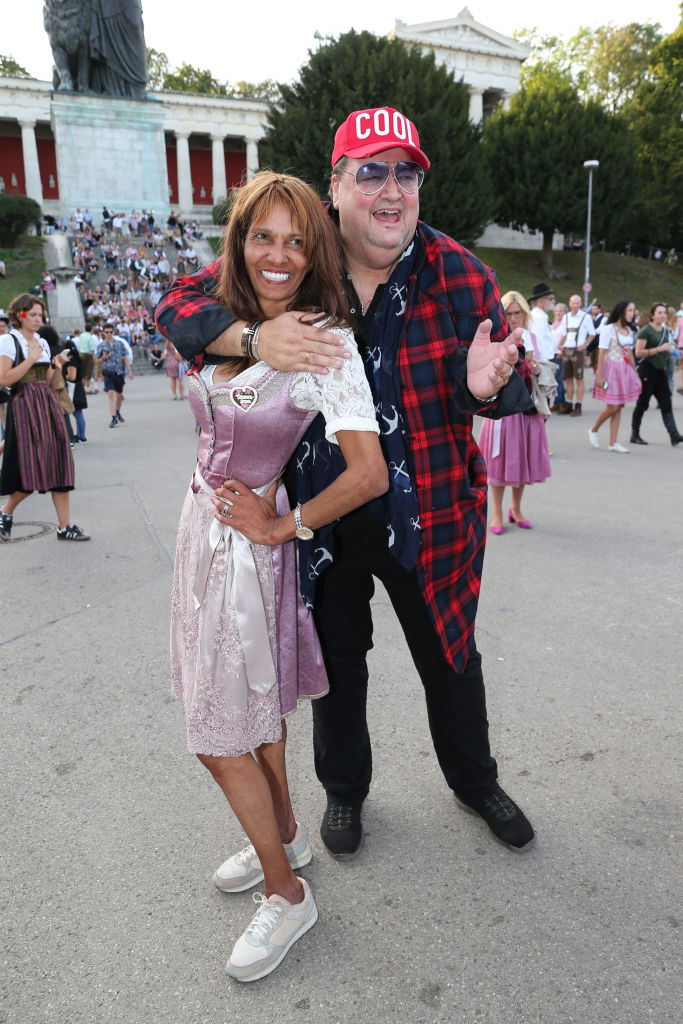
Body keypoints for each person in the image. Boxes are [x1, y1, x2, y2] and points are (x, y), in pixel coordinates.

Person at [156, 105, 535, 864]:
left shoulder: (462, 274)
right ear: (336, 187)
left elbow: (512, 380)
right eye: (370, 172)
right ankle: (344, 792)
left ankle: (474, 780)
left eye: (406, 172)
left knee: (450, 658)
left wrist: (488, 388)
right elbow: (180, 302)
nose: (390, 190)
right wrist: (255, 336)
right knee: (337, 667)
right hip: (324, 517)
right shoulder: (297, 253)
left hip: (429, 514)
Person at [170, 171, 387, 981]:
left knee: (216, 738)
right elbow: (177, 312)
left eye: (297, 240)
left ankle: (286, 892)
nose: (279, 254)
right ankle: (286, 832)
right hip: (200, 532)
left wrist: (280, 523)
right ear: (238, 239)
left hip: (250, 549)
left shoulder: (326, 339)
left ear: (315, 249)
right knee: (250, 718)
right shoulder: (224, 318)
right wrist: (246, 338)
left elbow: (366, 472)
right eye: (263, 234)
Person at [0, 294, 89, 541]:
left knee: (60, 462)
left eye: (40, 314)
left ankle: (64, 526)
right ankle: (5, 513)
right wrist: (30, 358)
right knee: (30, 467)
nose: (38, 319)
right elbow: (4, 379)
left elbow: (50, 385)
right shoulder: (9, 341)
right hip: (23, 406)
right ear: (20, 315)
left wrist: (57, 367)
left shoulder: (42, 342)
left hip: (46, 404)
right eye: (33, 315)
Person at [478, 292, 551, 531]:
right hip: (503, 408)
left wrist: (536, 368)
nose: (513, 317)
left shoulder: (532, 337)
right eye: (508, 313)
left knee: (524, 460)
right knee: (499, 464)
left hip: (527, 408)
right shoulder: (496, 337)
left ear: (524, 314)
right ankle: (497, 513)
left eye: (517, 312)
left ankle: (516, 509)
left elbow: (542, 372)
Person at [588, 301, 641, 453]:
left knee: (619, 406)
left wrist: (635, 371)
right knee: (612, 406)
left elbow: (629, 352)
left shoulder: (629, 331)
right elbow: (601, 353)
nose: (633, 313)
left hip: (624, 370)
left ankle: (613, 442)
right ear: (622, 312)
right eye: (630, 310)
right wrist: (600, 375)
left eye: (633, 310)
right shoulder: (608, 329)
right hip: (611, 369)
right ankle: (594, 429)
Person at [630, 302, 683, 447]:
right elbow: (638, 353)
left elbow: (665, 350)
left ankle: (674, 435)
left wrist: (674, 352)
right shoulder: (646, 331)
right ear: (652, 315)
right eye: (659, 313)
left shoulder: (665, 331)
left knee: (666, 403)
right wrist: (659, 349)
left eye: (664, 313)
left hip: (661, 370)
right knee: (643, 404)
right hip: (647, 370)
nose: (662, 315)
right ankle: (635, 434)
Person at [557, 294, 594, 417]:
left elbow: (592, 334)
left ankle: (578, 406)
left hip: (578, 350)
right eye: (573, 303)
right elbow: (564, 334)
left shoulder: (586, 317)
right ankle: (569, 405)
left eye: (578, 303)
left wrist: (585, 344)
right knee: (568, 379)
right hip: (567, 349)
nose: (575, 305)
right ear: (570, 303)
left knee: (579, 378)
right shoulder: (566, 317)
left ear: (581, 304)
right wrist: (560, 344)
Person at [96, 323, 133, 428]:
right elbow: (97, 361)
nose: (108, 334)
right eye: (106, 332)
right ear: (103, 333)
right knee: (110, 393)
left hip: (119, 372)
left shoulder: (119, 344)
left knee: (119, 395)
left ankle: (117, 411)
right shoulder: (101, 346)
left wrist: (129, 371)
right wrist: (103, 358)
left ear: (113, 332)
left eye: (110, 332)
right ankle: (113, 417)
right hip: (107, 372)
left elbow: (125, 357)